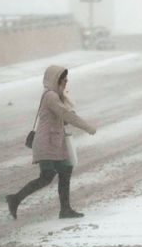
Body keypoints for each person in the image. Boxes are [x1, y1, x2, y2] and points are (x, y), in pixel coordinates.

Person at [6, 65, 96, 219]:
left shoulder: (55, 96)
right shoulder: (51, 96)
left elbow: (61, 117)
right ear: (56, 80)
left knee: (65, 170)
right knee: (47, 176)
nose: (66, 83)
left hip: (54, 142)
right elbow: (65, 114)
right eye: (64, 80)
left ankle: (65, 209)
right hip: (46, 143)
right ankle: (15, 199)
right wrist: (87, 127)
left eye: (67, 80)